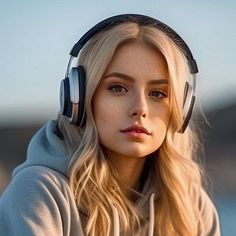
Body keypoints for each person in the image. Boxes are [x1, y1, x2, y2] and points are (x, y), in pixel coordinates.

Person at [0, 14, 220, 236]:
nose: (140, 108)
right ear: (80, 97)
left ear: (180, 110)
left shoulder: (190, 206)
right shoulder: (39, 192)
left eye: (158, 93)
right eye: (118, 88)